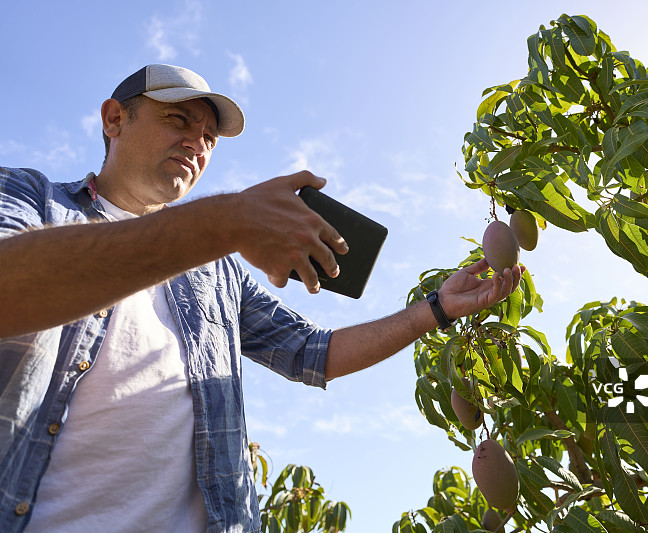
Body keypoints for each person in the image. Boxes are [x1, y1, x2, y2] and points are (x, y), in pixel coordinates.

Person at [0, 64, 522, 533]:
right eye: (178, 121)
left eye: (208, 137)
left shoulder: (215, 269)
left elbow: (313, 353)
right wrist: (225, 222)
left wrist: (434, 309)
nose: (196, 144)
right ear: (114, 120)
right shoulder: (30, 199)